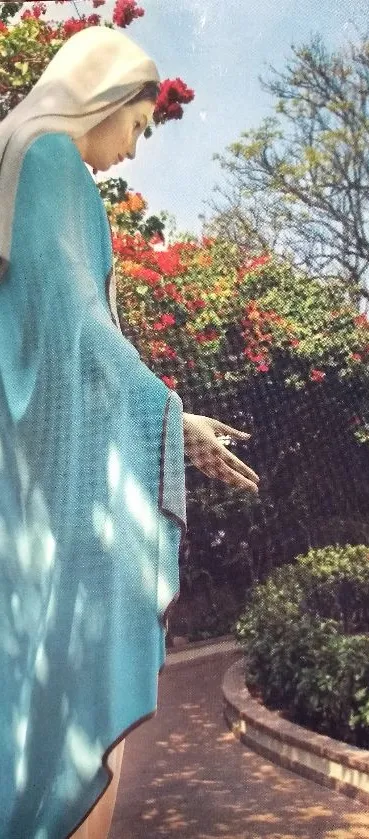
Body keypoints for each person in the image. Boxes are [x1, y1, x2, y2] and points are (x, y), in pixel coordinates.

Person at [0, 25, 259, 839]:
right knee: (76, 707)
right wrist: (171, 420)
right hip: (55, 480)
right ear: (104, 96)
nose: (135, 148)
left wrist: (170, 411)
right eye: (139, 126)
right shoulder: (52, 164)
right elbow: (76, 328)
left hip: (28, 472)